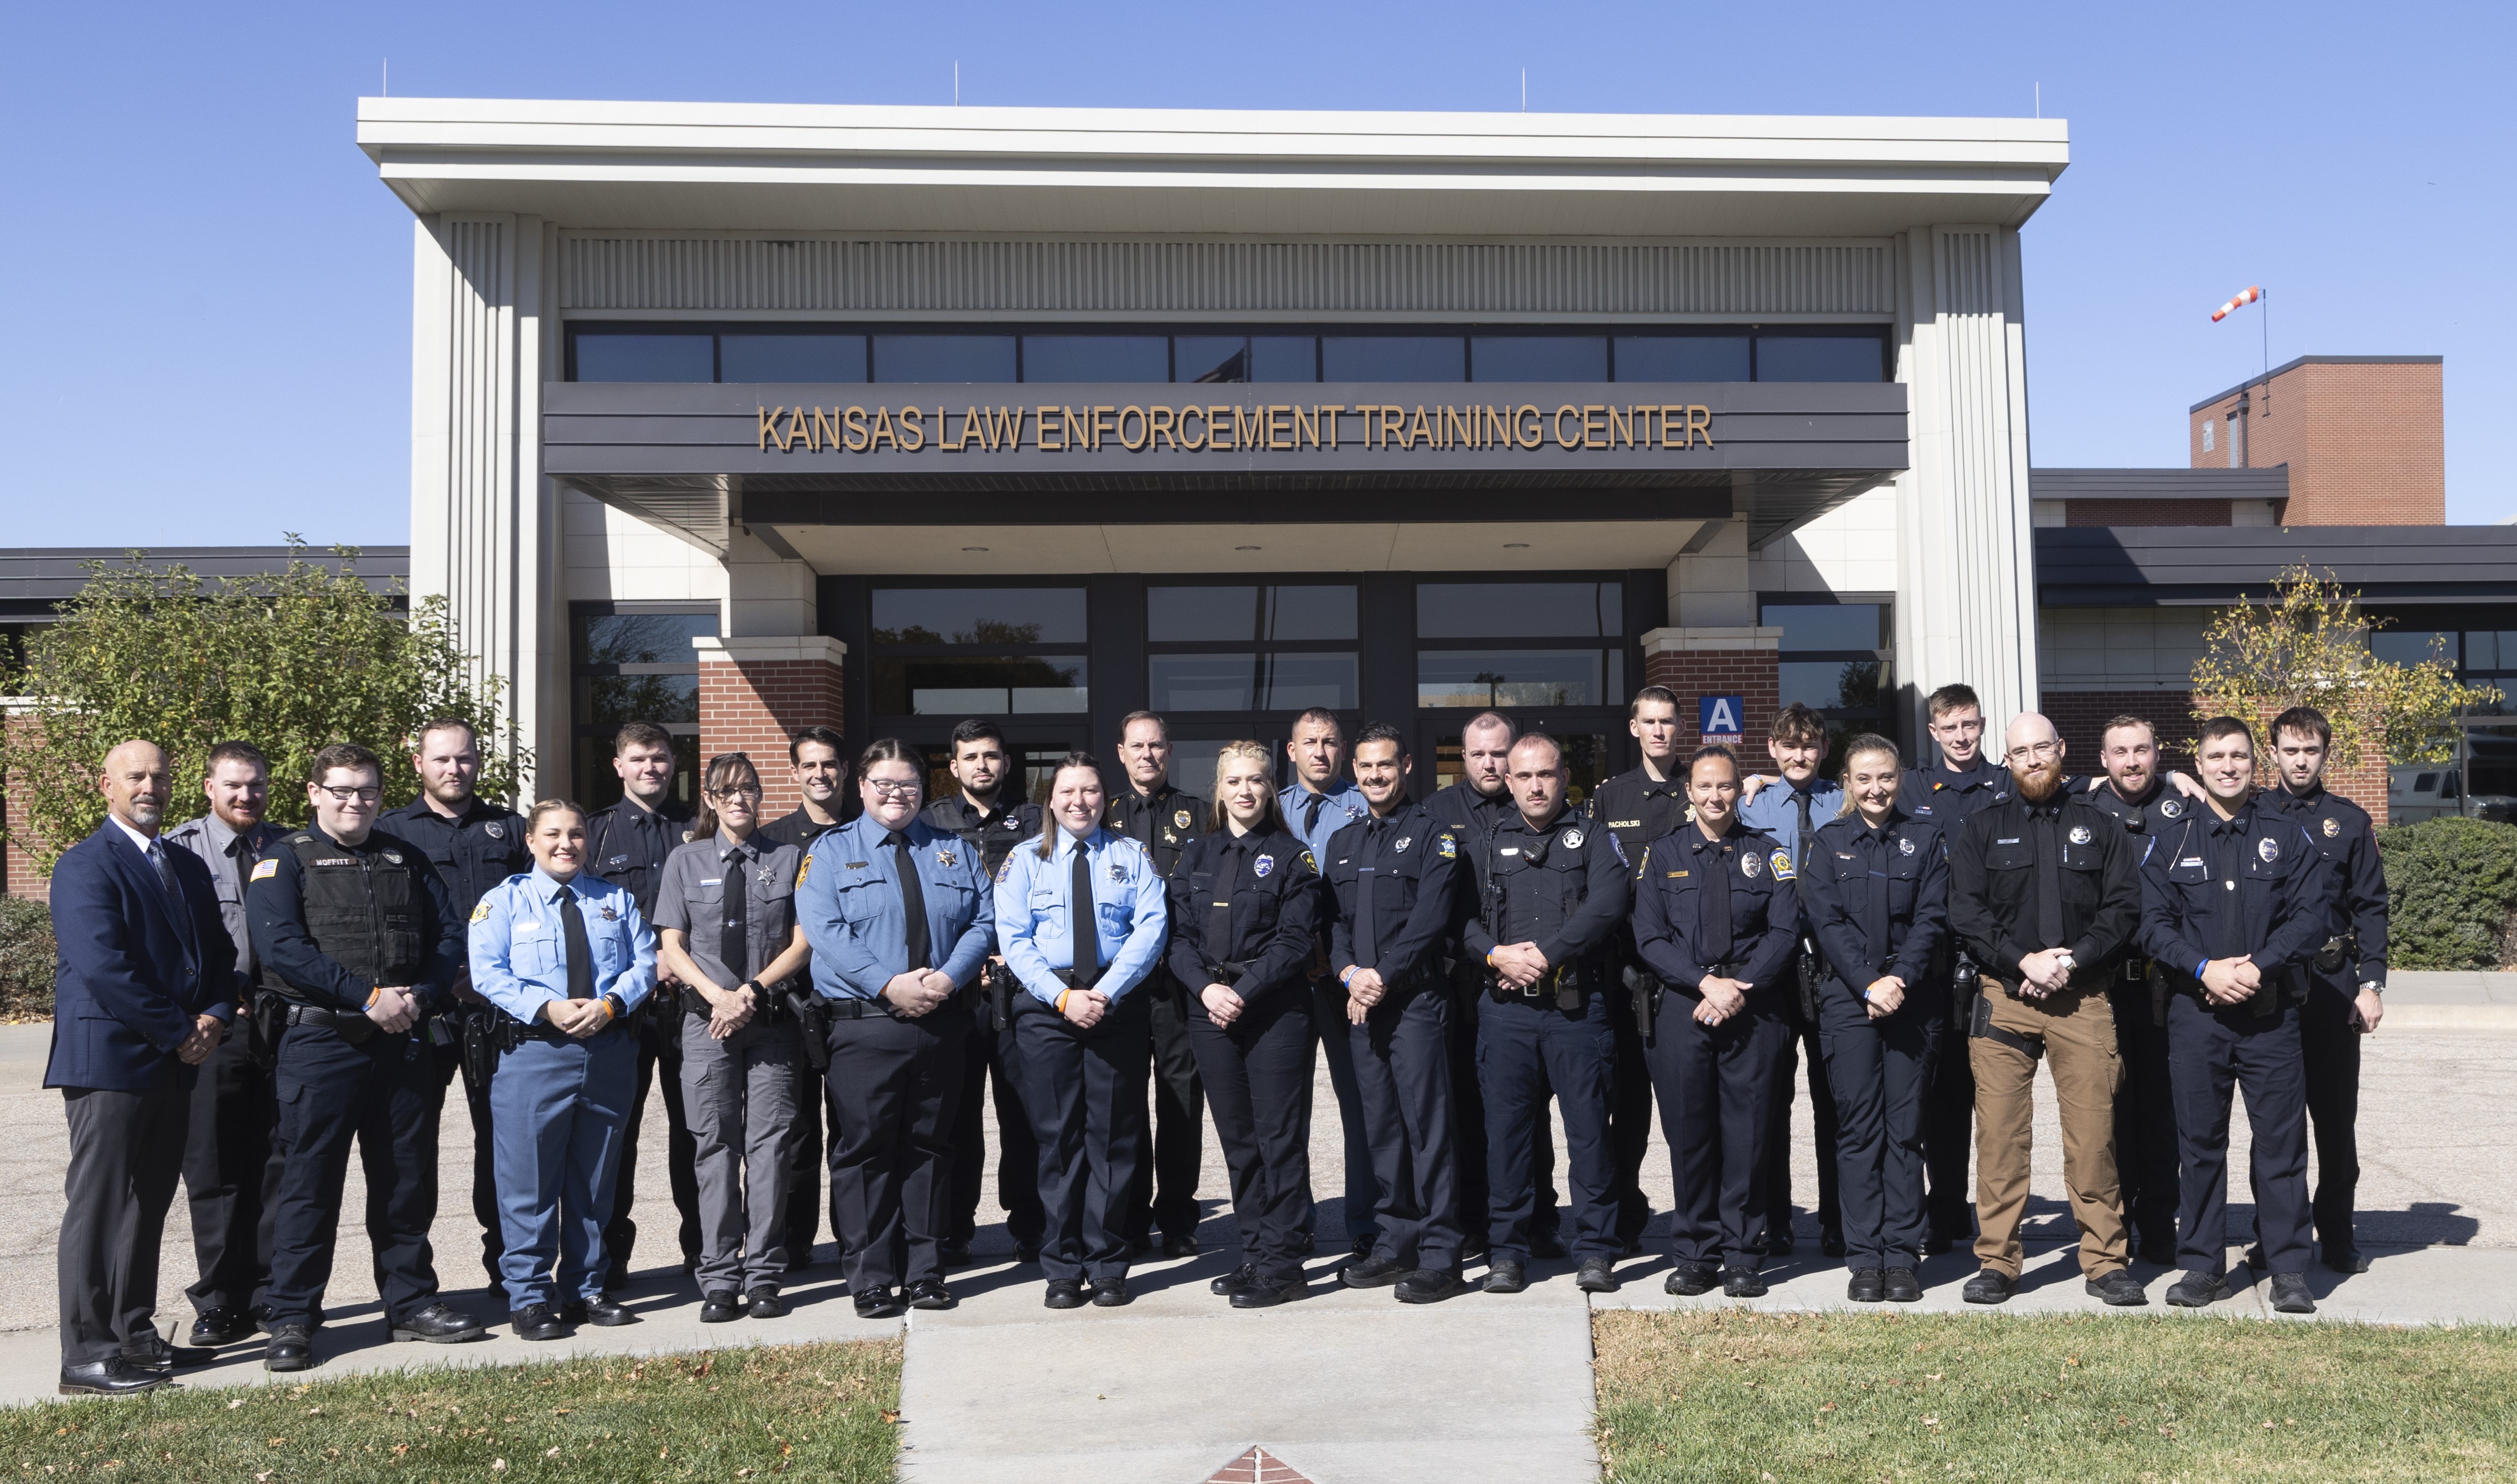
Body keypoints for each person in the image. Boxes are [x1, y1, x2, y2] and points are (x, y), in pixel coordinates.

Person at [247, 743, 482, 1371]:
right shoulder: (285, 860)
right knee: (309, 1185)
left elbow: (448, 934)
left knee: (406, 1180)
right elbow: (283, 948)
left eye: (367, 791)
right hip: (322, 1044)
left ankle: (410, 1302)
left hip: (401, 1040)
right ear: (314, 792)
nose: (356, 801)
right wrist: (368, 996)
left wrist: (422, 995)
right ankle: (293, 1316)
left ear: (381, 794)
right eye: (343, 790)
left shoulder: (403, 856)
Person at [49, 740, 237, 1395]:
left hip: (174, 1059)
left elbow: (217, 951)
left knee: (148, 1204)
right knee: (99, 1207)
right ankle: (87, 1353)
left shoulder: (184, 864)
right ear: (107, 783)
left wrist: (215, 1013)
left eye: (159, 775)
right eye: (136, 776)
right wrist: (179, 1029)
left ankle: (133, 1334)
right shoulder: (83, 866)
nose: (150, 785)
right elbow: (105, 967)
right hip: (110, 1059)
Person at [1945, 713, 2146, 1307]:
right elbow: (1965, 911)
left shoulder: (2099, 825)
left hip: (2080, 998)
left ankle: (2105, 1261)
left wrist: (2071, 960)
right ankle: (1997, 1262)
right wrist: (2021, 961)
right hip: (2003, 998)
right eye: (2019, 751)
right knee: (2001, 1138)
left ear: (2061, 749)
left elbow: (2122, 906)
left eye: (2041, 747)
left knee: (2092, 1138)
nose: (2032, 758)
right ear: (2005, 760)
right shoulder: (1980, 828)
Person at [2140, 716, 2336, 1315]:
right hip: (2194, 1015)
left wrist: (2261, 966)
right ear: (2197, 766)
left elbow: (2312, 915)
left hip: (2268, 1014)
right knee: (2198, 1143)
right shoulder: (2169, 833)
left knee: (2279, 1144)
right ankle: (2200, 1265)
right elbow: (2150, 922)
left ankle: (2286, 1267)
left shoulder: (2286, 831)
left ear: (2256, 764)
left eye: (2238, 756)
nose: (2227, 765)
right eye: (2215, 756)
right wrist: (2203, 968)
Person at [798, 739, 996, 1317]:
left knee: (931, 1148)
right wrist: (890, 984)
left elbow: (983, 921)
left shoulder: (952, 850)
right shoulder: (831, 852)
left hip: (940, 1022)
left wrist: (950, 978)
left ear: (923, 788)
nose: (895, 793)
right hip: (864, 1027)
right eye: (882, 782)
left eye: (907, 783)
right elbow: (826, 932)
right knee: (864, 1152)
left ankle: (926, 1271)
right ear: (860, 787)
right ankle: (870, 1274)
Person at [468, 798, 658, 1339]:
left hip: (605, 1050)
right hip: (533, 1052)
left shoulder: (613, 899)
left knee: (595, 1179)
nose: (566, 843)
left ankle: (584, 1287)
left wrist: (612, 1004)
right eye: (552, 834)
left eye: (576, 833)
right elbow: (488, 972)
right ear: (530, 840)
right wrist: (546, 1006)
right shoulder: (502, 901)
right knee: (528, 1180)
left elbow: (644, 961)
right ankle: (529, 1297)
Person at [995, 752, 1171, 1309]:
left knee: (1114, 1139)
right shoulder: (1024, 859)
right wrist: (1063, 996)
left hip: (1113, 1005)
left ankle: (1108, 1260)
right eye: (1068, 791)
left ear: (1104, 796)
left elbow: (1151, 926)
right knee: (1057, 1140)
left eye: (1091, 790)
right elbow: (1013, 937)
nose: (1079, 801)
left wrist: (1106, 992)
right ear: (1050, 798)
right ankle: (1062, 1265)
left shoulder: (1129, 856)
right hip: (1048, 1010)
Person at [1464, 733, 1630, 1295]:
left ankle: (1595, 1249)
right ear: (1507, 782)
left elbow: (1608, 903)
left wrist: (1547, 953)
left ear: (1564, 777)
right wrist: (1495, 954)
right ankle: (1507, 1251)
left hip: (1577, 1011)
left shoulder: (1593, 836)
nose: (1535, 785)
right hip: (1506, 1013)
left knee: (1588, 1137)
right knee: (1507, 1139)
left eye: (1546, 774)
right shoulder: (1485, 841)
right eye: (1523, 776)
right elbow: (1458, 916)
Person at [1630, 745, 1798, 1299]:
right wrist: (1705, 984)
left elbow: (1783, 932)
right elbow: (1649, 936)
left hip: (1752, 1004)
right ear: (1688, 791)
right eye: (1703, 786)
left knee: (1747, 1136)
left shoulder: (1767, 853)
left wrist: (1736, 986)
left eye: (1724, 786)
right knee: (1690, 1136)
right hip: (1685, 1004)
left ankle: (1743, 1253)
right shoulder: (1663, 853)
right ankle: (1695, 1253)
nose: (1714, 795)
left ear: (1738, 789)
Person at [655, 752, 814, 1322]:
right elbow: (672, 944)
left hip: (770, 1024)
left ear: (760, 795)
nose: (739, 798)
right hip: (706, 1025)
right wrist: (717, 996)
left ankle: (764, 1274)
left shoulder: (789, 856)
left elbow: (802, 942)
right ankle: (719, 1276)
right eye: (727, 791)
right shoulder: (684, 858)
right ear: (710, 798)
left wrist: (746, 992)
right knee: (714, 1148)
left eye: (748, 788)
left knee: (770, 1148)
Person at [1166, 741, 1324, 1309]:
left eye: (1256, 780)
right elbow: (1177, 935)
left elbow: (1294, 939)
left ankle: (1283, 1263)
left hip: (1274, 1011)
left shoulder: (1291, 856)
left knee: (1278, 1139)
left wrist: (1242, 991)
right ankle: (1254, 1252)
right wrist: (1207, 989)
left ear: (1270, 787)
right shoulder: (1197, 854)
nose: (1245, 791)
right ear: (1219, 788)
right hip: (1210, 1010)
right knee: (1237, 1141)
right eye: (1233, 781)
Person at [380, 718, 533, 1296]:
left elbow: (534, 912)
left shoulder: (511, 830)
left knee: (504, 1142)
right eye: (442, 759)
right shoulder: (391, 831)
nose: (454, 769)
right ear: (418, 762)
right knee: (409, 1147)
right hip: (421, 1012)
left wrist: (493, 976)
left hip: (497, 1013)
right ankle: (411, 1282)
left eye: (465, 758)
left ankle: (510, 1269)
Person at [1322, 723, 1470, 1304]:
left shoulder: (1434, 835)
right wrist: (1348, 976)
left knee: (1427, 1127)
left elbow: (1430, 920)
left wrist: (1379, 975)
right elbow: (1329, 924)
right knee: (1380, 1125)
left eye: (1385, 765)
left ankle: (1440, 1252)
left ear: (1406, 765)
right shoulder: (1342, 840)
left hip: (1413, 1001)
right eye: (1364, 767)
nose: (1374, 776)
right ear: (1353, 772)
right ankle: (1394, 1239)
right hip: (1361, 1003)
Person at [1797, 735, 1947, 1302]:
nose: (1875, 788)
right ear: (1846, 783)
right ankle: (1864, 1259)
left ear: (1900, 776)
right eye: (1863, 778)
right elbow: (1825, 922)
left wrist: (1896, 979)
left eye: (1884, 776)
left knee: (1904, 1133)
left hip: (1910, 997)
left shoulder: (1925, 837)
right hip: (1848, 1000)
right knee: (1858, 1132)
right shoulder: (1828, 842)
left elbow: (1933, 916)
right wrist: (1866, 982)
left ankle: (1901, 1257)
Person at [164, 739, 284, 1350]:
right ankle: (217, 1298)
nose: (246, 795)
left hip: (284, 1026)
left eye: (256, 783)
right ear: (208, 787)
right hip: (216, 1024)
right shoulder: (179, 850)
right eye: (233, 784)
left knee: (275, 1163)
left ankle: (267, 1292)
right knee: (212, 1166)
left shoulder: (289, 846)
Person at [2262, 705, 2389, 1274]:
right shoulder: (2252, 812)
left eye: (2309, 750)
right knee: (2273, 1125)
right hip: (2268, 988)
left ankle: (2336, 1236)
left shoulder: (2349, 820)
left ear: (2324, 754)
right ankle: (2274, 1239)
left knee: (2334, 1123)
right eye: (2289, 749)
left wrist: (2371, 982)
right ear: (2272, 753)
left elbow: (2371, 908)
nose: (2299, 759)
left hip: (2331, 984)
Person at [1424, 711, 1553, 1263]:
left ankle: (1538, 1220)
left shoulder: (1538, 805)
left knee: (1529, 1112)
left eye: (1499, 753)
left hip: (1526, 980)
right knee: (1464, 1109)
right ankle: (1475, 1220)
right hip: (1461, 979)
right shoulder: (1436, 812)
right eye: (1478, 754)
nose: (1490, 763)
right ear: (1462, 755)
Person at [583, 722, 702, 1290]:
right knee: (615, 1134)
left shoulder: (698, 828)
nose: (650, 767)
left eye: (659, 757)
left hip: (691, 1008)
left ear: (673, 761)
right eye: (639, 758)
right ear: (619, 765)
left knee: (697, 1130)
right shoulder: (595, 833)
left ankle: (705, 1250)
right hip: (623, 1013)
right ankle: (609, 1257)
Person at [925, 718, 1047, 1265]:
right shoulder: (929, 824)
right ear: (952, 766)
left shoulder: (1036, 822)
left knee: (1023, 1113)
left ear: (1006, 763)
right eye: (970, 756)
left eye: (991, 755)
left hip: (1019, 989)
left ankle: (1030, 1224)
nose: (982, 764)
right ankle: (954, 1230)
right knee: (954, 1115)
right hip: (954, 992)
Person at [1896, 683, 2012, 1253]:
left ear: (1981, 724)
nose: (1961, 736)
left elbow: (2078, 785)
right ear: (1933, 731)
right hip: (1931, 962)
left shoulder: (2006, 782)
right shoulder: (1913, 785)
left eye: (1969, 725)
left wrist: (2174, 779)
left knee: (1985, 1092)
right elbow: (1851, 795)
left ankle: (1977, 1211)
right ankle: (1937, 1210)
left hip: (1991, 960)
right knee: (1929, 1090)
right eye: (1949, 727)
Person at [1585, 685, 1692, 1255]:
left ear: (1679, 727)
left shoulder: (1698, 788)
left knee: (1685, 1106)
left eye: (1667, 721)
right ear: (1633, 728)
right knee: (1623, 1108)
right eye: (1648, 721)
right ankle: (1624, 1215)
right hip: (1624, 974)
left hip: (1680, 974)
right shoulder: (1609, 797)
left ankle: (1696, 1222)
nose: (1658, 731)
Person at [2079, 715, 2188, 1265]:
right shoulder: (2085, 810)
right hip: (2104, 988)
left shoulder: (2182, 805)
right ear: (2102, 760)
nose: (2131, 760)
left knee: (2161, 1114)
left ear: (2156, 751)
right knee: (2108, 1116)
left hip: (2167, 989)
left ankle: (2160, 1225)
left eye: (2141, 749)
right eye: (2119, 751)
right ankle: (2113, 1229)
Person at [1738, 702, 1846, 1259]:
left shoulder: (1844, 801)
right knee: (1769, 1102)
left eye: (1809, 743)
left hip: (1833, 969)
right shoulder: (1748, 803)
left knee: (1834, 1103)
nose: (1799, 753)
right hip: (1774, 972)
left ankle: (1836, 1221)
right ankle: (1774, 1222)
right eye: (1789, 744)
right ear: (1773, 749)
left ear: (1823, 748)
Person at [1104, 711, 1208, 1259]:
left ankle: (1176, 1217)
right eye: (1136, 746)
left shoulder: (1199, 814)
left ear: (1170, 751)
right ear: (1120, 753)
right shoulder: (1103, 815)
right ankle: (1126, 1217)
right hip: (1120, 985)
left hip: (1175, 985)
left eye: (1156, 745)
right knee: (1122, 1102)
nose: (1147, 754)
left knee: (1178, 1103)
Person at [1278, 707, 1377, 1258]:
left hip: (1345, 978)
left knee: (1359, 1103)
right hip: (1286, 979)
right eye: (1308, 741)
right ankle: (1293, 1224)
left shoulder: (1365, 805)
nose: (1319, 750)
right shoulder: (1270, 808)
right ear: (1290, 751)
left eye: (1329, 741)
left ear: (1343, 750)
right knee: (1284, 1109)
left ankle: (1364, 1219)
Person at [760, 725, 849, 1266]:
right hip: (787, 1008)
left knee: (852, 1131)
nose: (820, 774)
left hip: (850, 1004)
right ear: (794, 772)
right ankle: (793, 1245)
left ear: (843, 771)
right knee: (792, 1134)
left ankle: (853, 1240)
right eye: (809, 765)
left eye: (829, 764)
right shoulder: (772, 843)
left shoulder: (867, 832)